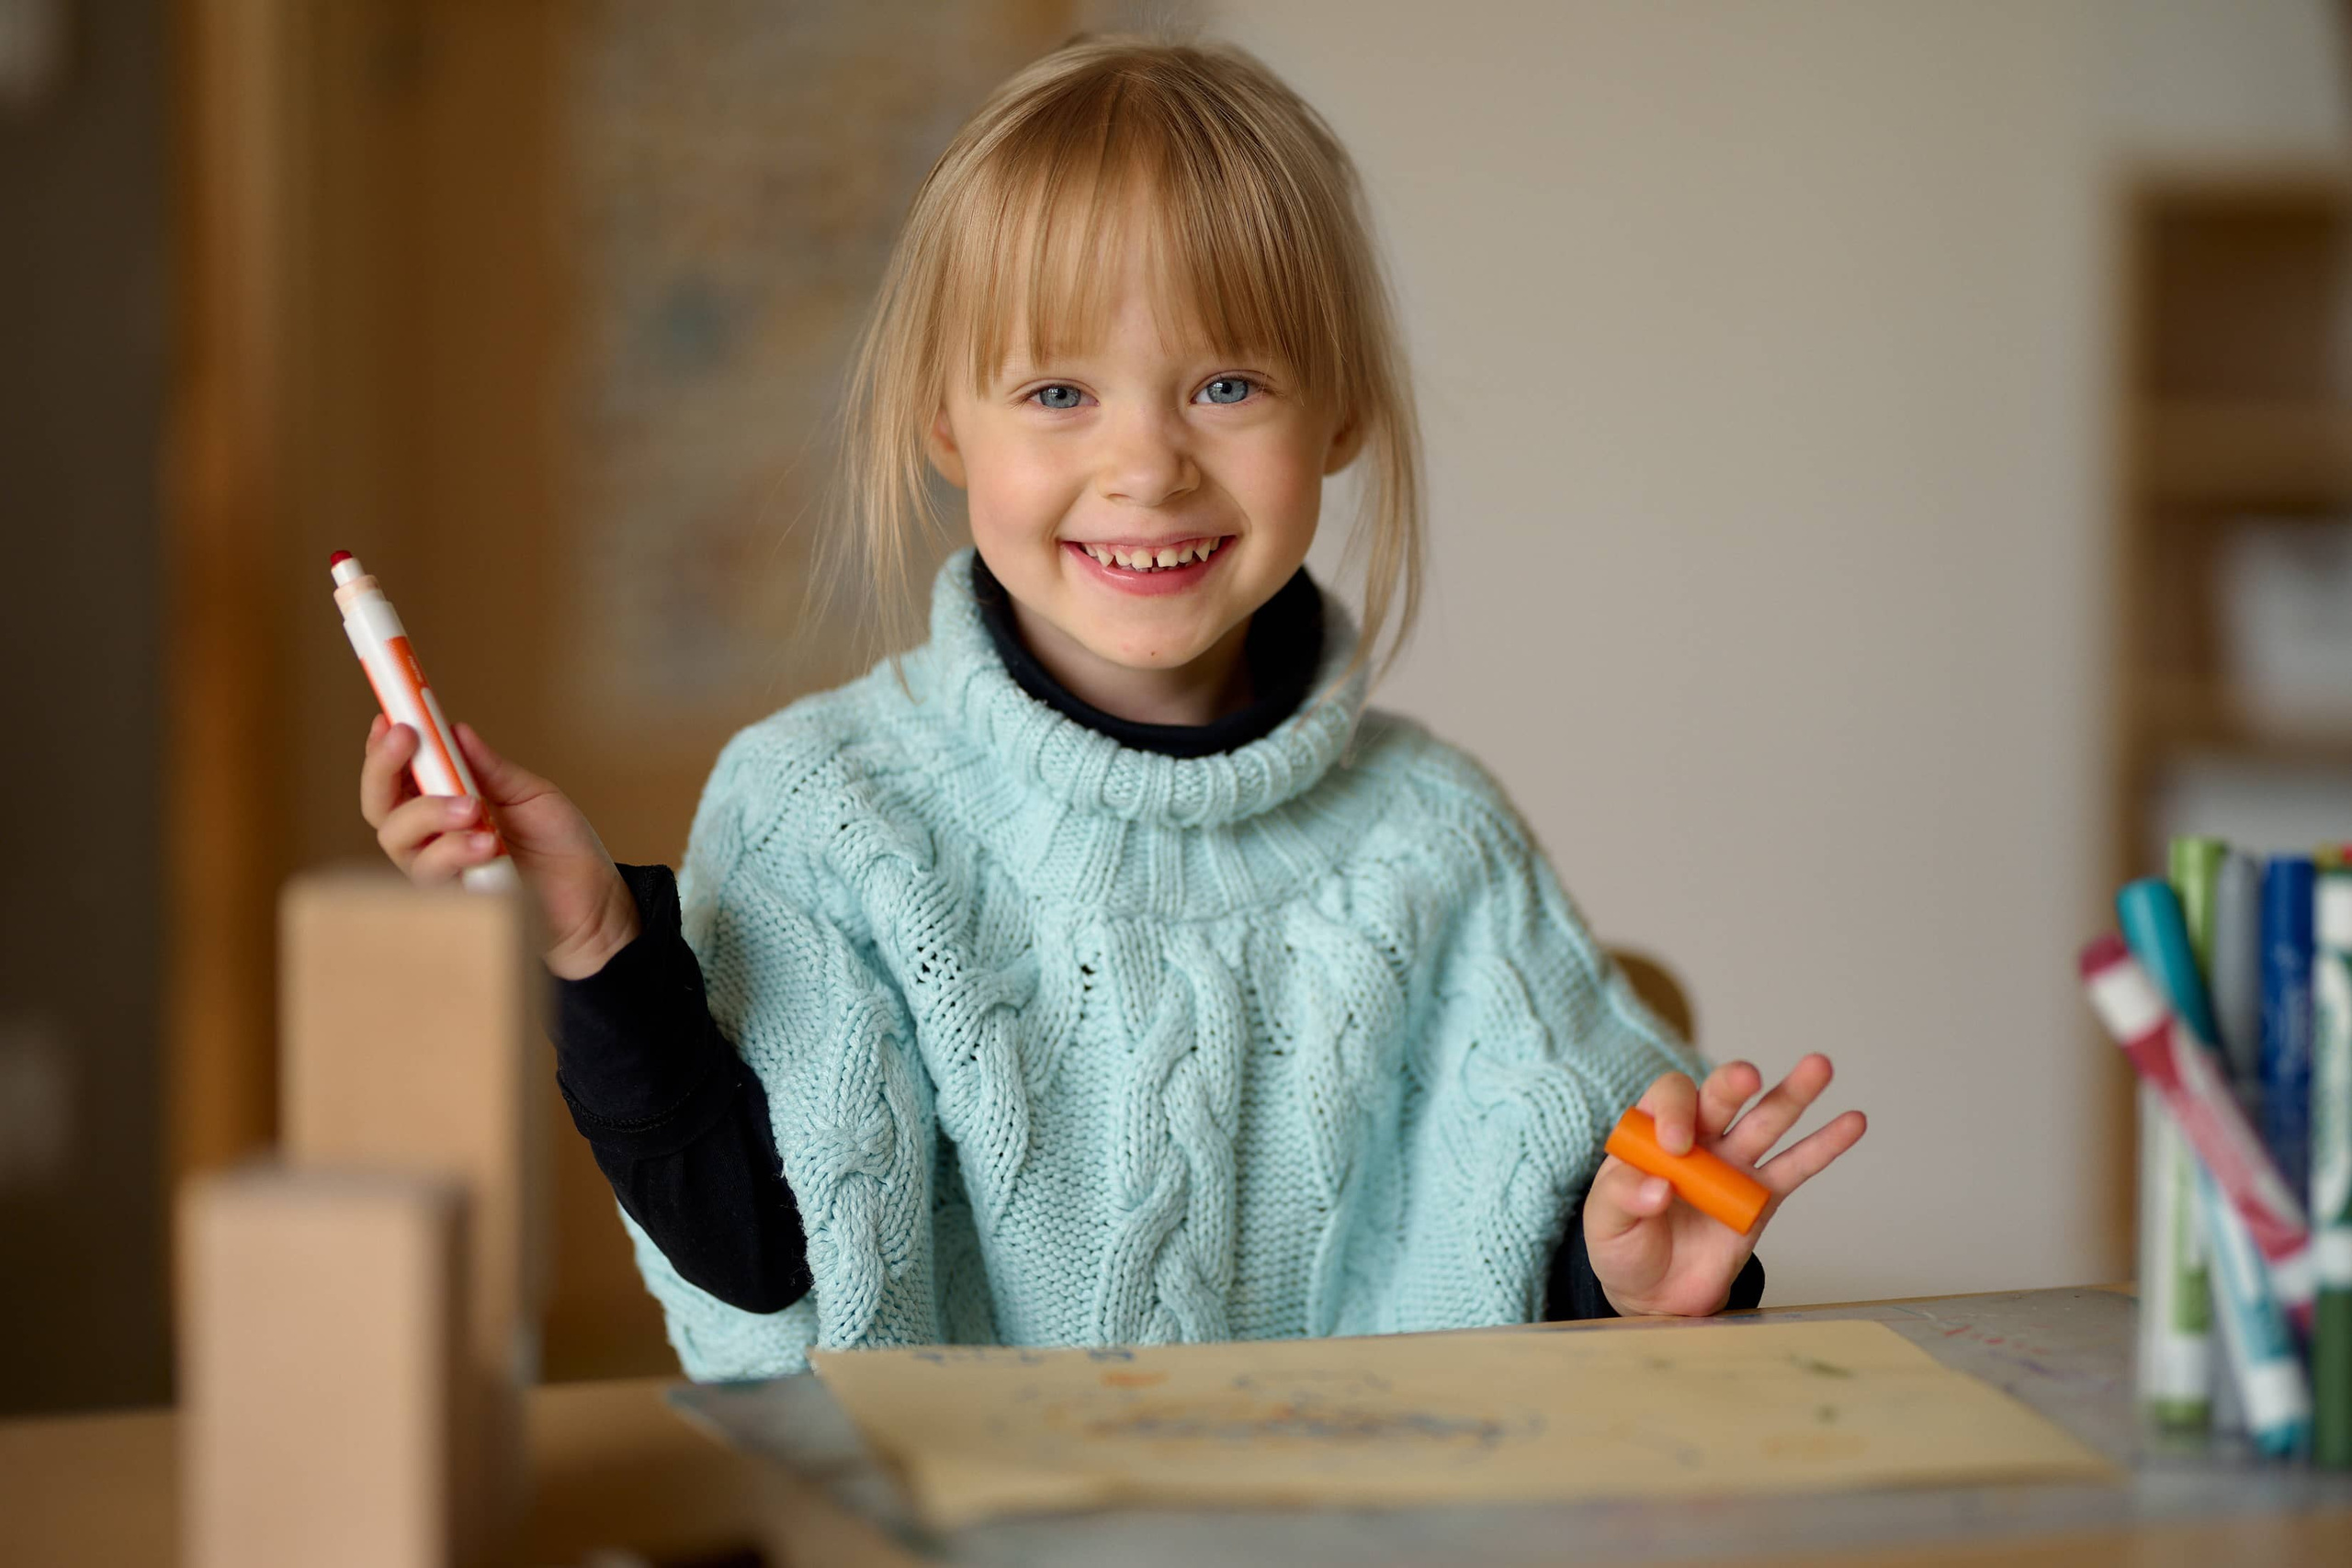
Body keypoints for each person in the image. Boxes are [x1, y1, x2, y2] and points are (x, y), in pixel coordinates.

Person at [358, 35, 1865, 1380]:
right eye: (1059, 394)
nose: (1147, 468)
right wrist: (598, 949)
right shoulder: (826, 805)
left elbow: (1507, 1245)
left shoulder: (1434, 838)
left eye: (1226, 386)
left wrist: (1619, 1271)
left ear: (1337, 413)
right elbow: (770, 1260)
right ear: (944, 421)